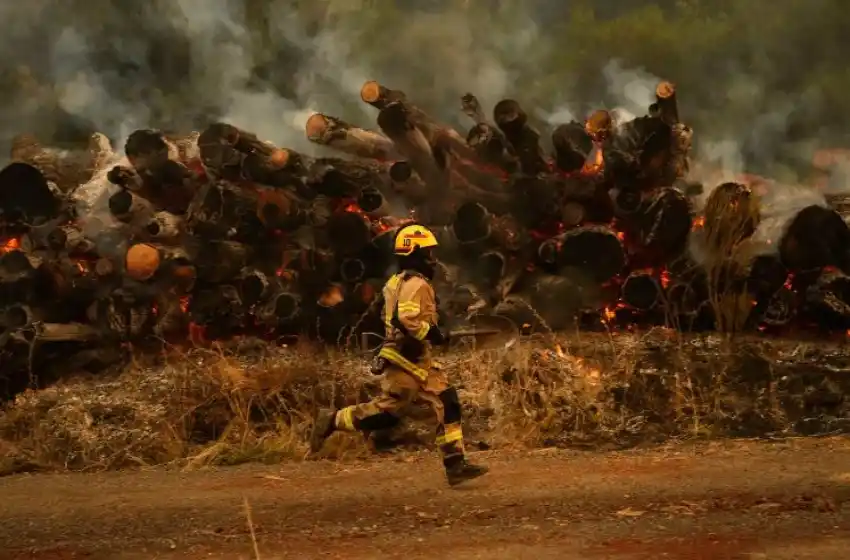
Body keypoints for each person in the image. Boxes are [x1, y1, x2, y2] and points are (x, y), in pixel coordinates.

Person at [310, 224, 489, 486]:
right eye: (428, 253)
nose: (432, 259)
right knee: (387, 414)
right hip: (404, 360)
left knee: (448, 401)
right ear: (415, 253)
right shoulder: (416, 283)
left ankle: (455, 464)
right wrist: (434, 333)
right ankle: (332, 420)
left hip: (419, 361)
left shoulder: (396, 282)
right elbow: (406, 320)